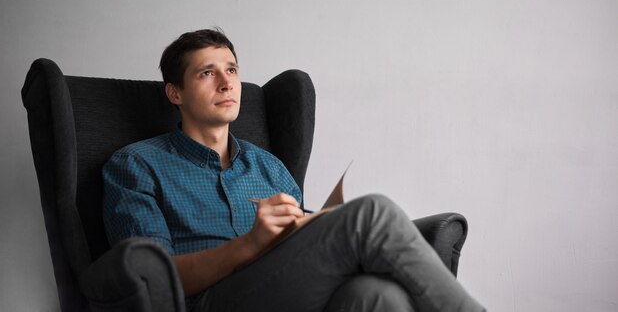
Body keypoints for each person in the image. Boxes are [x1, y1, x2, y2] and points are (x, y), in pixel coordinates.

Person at [102, 29, 485, 312]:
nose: (226, 83)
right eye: (206, 73)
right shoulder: (135, 166)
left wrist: (304, 227)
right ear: (175, 93)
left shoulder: (269, 166)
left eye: (231, 70)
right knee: (372, 213)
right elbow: (152, 281)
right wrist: (251, 244)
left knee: (377, 297)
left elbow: (298, 250)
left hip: (281, 292)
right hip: (207, 302)